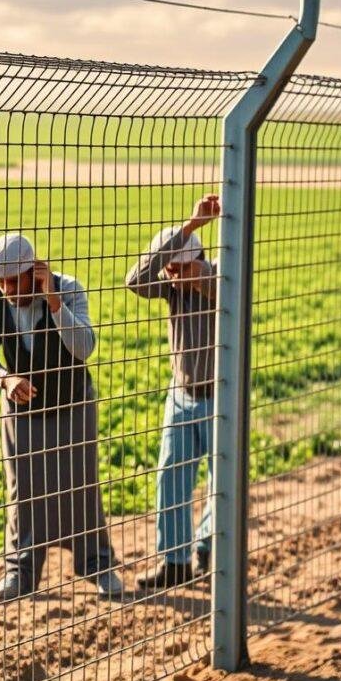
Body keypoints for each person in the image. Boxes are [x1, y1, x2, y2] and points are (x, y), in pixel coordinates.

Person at [0, 234, 123, 602]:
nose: (7, 289)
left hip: (72, 403)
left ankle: (97, 565)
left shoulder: (68, 289)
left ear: (34, 270)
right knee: (21, 491)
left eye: (14, 280)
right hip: (21, 412)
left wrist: (54, 302)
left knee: (81, 485)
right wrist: (4, 378)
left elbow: (84, 347)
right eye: (0, 281)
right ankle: (19, 574)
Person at [126, 194, 221, 590]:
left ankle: (209, 547)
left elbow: (220, 291)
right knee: (171, 478)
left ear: (198, 262)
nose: (171, 276)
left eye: (179, 268)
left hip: (221, 397)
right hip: (181, 395)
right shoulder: (172, 286)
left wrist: (198, 274)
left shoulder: (221, 277)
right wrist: (189, 227)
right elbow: (135, 281)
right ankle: (175, 561)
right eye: (169, 269)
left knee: (223, 480)